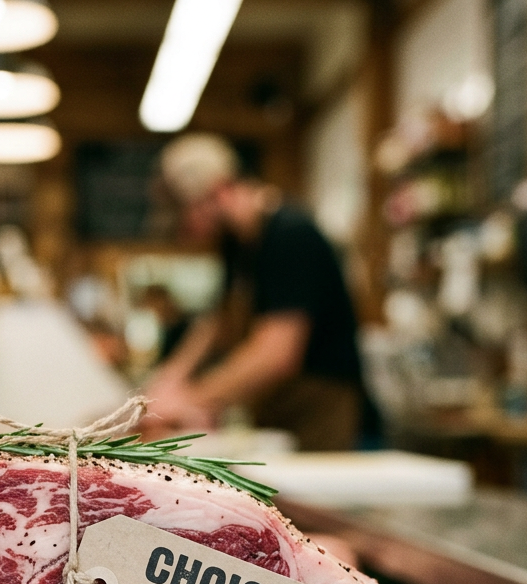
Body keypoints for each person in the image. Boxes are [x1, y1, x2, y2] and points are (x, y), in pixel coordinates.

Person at [145, 134, 364, 451]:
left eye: (188, 212)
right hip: (278, 406)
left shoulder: (290, 235)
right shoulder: (238, 244)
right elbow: (216, 322)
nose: (186, 229)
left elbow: (276, 354)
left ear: (219, 191)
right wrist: (169, 378)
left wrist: (190, 398)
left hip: (320, 407)